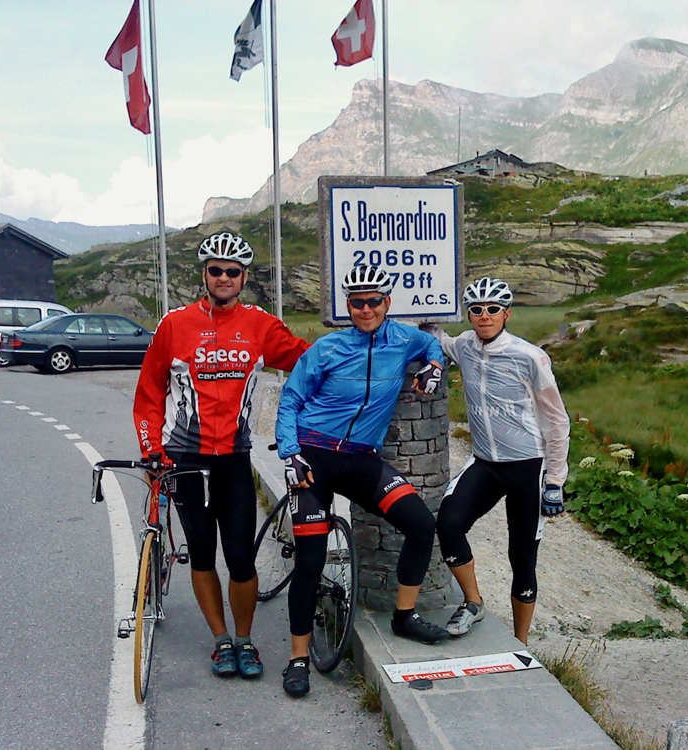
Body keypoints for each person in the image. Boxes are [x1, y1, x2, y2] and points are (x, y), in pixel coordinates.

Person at [133, 232, 310, 680]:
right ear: (205, 275)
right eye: (216, 270)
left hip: (233, 456)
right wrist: (151, 449)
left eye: (234, 271)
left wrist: (372, 348)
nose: (225, 277)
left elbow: (306, 360)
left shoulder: (261, 325)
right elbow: (150, 394)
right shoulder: (174, 325)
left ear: (245, 277)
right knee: (203, 553)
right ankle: (221, 641)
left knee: (241, 557)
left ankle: (246, 639)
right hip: (184, 458)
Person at [275, 265, 448, 697]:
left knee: (422, 525)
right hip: (313, 456)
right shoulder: (328, 347)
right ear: (346, 305)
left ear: (388, 303)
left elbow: (431, 343)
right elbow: (291, 398)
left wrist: (435, 366)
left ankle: (403, 617)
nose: (366, 309)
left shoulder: (404, 338)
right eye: (357, 302)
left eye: (374, 301)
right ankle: (298, 658)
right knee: (311, 561)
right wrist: (289, 453)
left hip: (361, 459)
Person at [424, 277, 570, 645]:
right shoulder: (464, 347)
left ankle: (521, 644)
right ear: (468, 314)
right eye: (476, 309)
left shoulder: (530, 356)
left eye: (492, 309)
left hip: (527, 467)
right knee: (449, 524)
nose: (484, 316)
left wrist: (554, 482)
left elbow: (557, 420)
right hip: (486, 463)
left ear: (507, 314)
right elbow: (439, 338)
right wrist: (422, 313)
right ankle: (473, 603)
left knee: (522, 558)